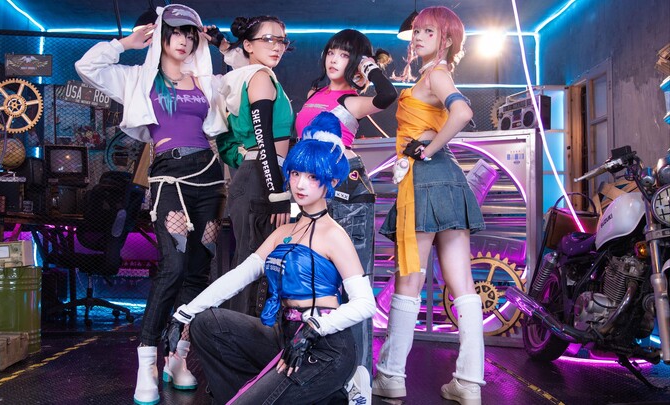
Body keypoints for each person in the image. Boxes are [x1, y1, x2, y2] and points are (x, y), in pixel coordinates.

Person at [165, 112, 376, 404]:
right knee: (207, 323)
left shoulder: (333, 235)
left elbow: (365, 303)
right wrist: (185, 313)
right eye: (296, 173)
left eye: (313, 177)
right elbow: (239, 276)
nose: (300, 184)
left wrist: (316, 328)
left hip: (324, 346)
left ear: (331, 180)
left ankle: (336, 392)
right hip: (284, 336)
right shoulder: (283, 233)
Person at [75, 5, 227, 405]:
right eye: (176, 32)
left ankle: (178, 357)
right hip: (169, 177)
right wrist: (125, 43)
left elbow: (246, 79)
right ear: (160, 34)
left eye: (190, 34)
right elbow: (86, 66)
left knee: (198, 270)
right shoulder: (137, 78)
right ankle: (147, 361)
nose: (184, 40)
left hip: (211, 178)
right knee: (173, 265)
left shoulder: (206, 79)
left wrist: (225, 47)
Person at [373, 6, 486, 405]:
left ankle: (391, 376)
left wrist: (427, 149)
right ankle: (469, 381)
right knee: (463, 284)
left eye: (428, 31)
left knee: (409, 279)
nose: (418, 36)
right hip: (448, 181)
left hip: (424, 179)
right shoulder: (431, 74)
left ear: (447, 40)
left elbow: (463, 111)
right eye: (417, 30)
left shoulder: (436, 73)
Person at [294, 26, 397, 390]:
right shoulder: (314, 94)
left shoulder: (352, 100)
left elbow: (388, 95)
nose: (334, 59)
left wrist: (368, 66)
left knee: (356, 286)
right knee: (319, 281)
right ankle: (328, 374)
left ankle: (359, 378)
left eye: (344, 54)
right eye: (331, 52)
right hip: (313, 192)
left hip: (347, 190)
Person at [215, 15, 294, 317]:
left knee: (255, 263)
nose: (277, 47)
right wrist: (278, 195)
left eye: (282, 40)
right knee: (252, 265)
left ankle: (244, 335)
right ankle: (238, 337)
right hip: (262, 177)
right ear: (248, 45)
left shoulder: (249, 75)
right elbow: (264, 141)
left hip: (259, 175)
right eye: (268, 39)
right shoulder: (260, 77)